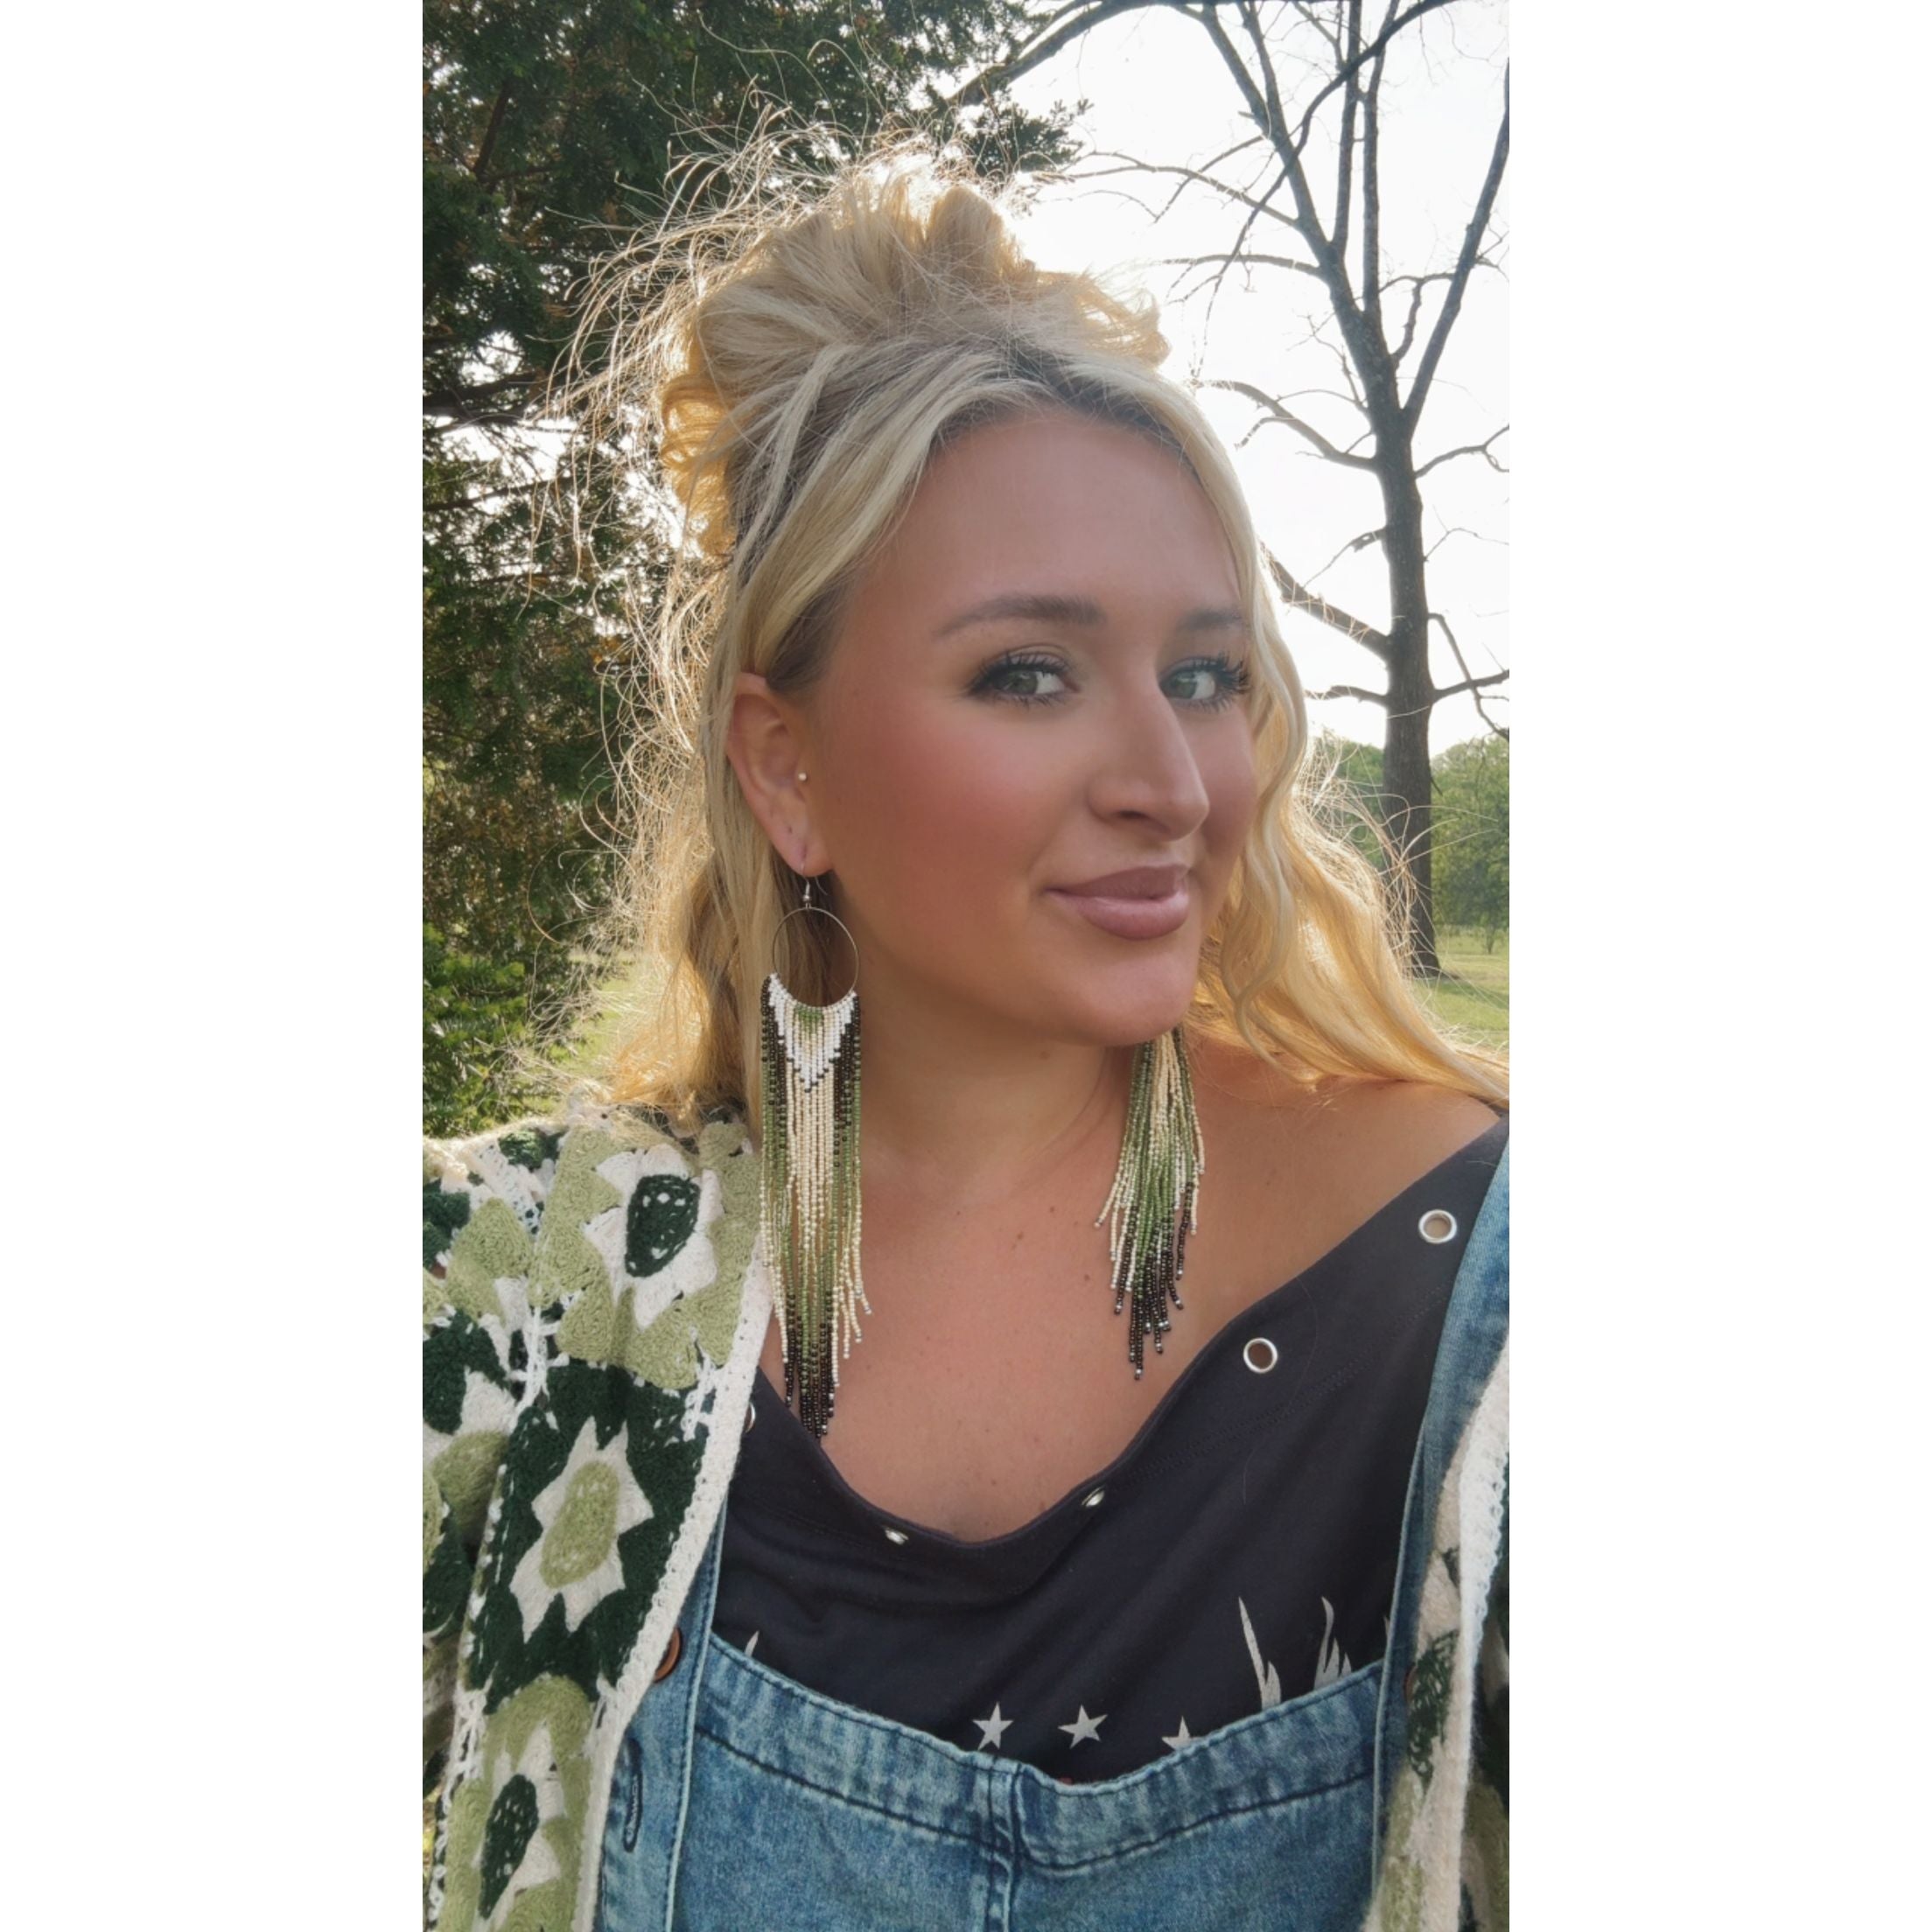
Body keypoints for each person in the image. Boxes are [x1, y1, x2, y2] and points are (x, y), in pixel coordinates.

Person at [423, 140, 1508, 1932]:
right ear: (788, 769)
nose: (1169, 784)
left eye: (1208, 674)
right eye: (1030, 672)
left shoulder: (1474, 1290)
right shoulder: (565, 1290)